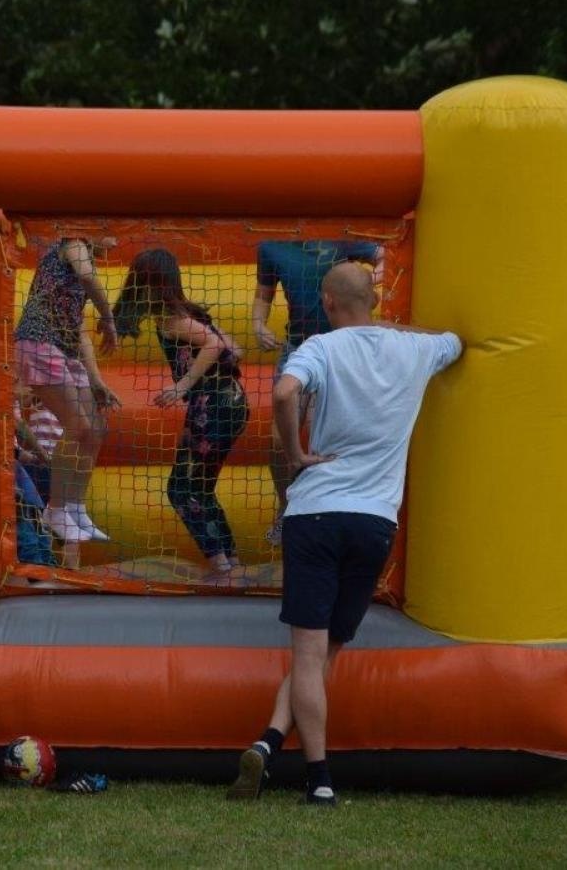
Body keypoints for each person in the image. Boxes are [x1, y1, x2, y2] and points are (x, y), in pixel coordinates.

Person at [228, 263, 461, 807]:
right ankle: (268, 742)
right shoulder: (415, 353)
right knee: (328, 649)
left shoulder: (320, 349)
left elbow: (285, 394)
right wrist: (398, 330)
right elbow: (454, 342)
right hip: (374, 519)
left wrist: (295, 455)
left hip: (314, 514)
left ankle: (317, 776)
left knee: (309, 654)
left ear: (329, 303)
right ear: (374, 300)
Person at [112, 249, 249, 573]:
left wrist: (182, 386)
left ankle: (223, 566)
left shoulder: (174, 320)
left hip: (214, 406)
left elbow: (215, 346)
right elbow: (235, 349)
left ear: (150, 284)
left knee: (181, 489)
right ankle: (232, 564)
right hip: (230, 403)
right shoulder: (186, 314)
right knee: (199, 487)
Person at [252, 240, 383, 527]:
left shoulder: (339, 235)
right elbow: (264, 294)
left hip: (341, 347)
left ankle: (322, 509)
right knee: (278, 439)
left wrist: (372, 280)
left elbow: (382, 253)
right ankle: (286, 506)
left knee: (321, 433)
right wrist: (258, 323)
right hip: (297, 346)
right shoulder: (271, 246)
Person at [12, 237, 121, 548]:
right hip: (39, 343)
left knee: (96, 428)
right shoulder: (74, 244)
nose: (113, 241)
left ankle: (75, 508)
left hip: (64, 349)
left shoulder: (80, 262)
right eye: (109, 233)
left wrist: (96, 380)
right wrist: (109, 319)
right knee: (78, 427)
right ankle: (56, 510)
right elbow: (87, 278)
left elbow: (78, 330)